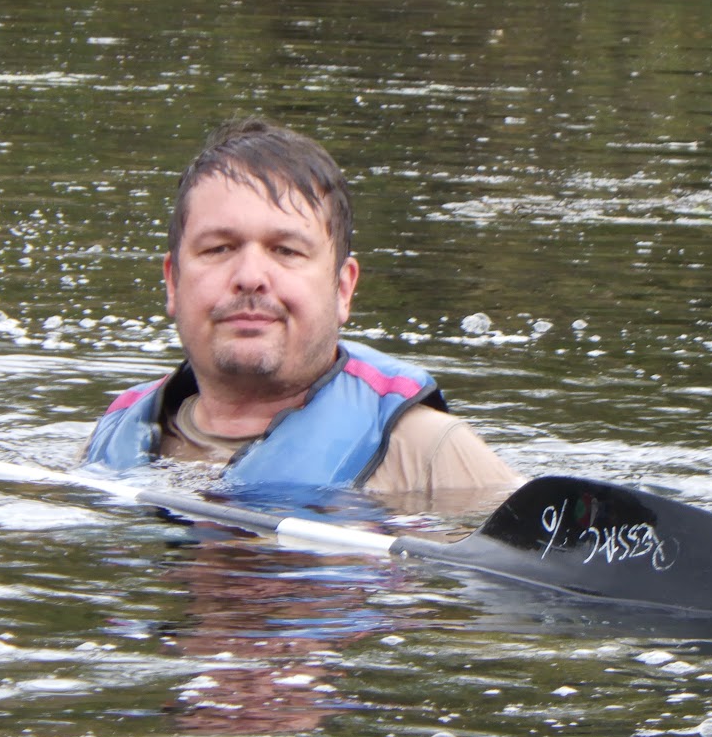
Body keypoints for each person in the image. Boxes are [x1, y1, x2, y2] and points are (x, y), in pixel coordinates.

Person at [81, 117, 523, 498]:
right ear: (173, 282)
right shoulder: (115, 436)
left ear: (342, 289)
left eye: (286, 250)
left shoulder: (431, 456)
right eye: (218, 248)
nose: (250, 275)